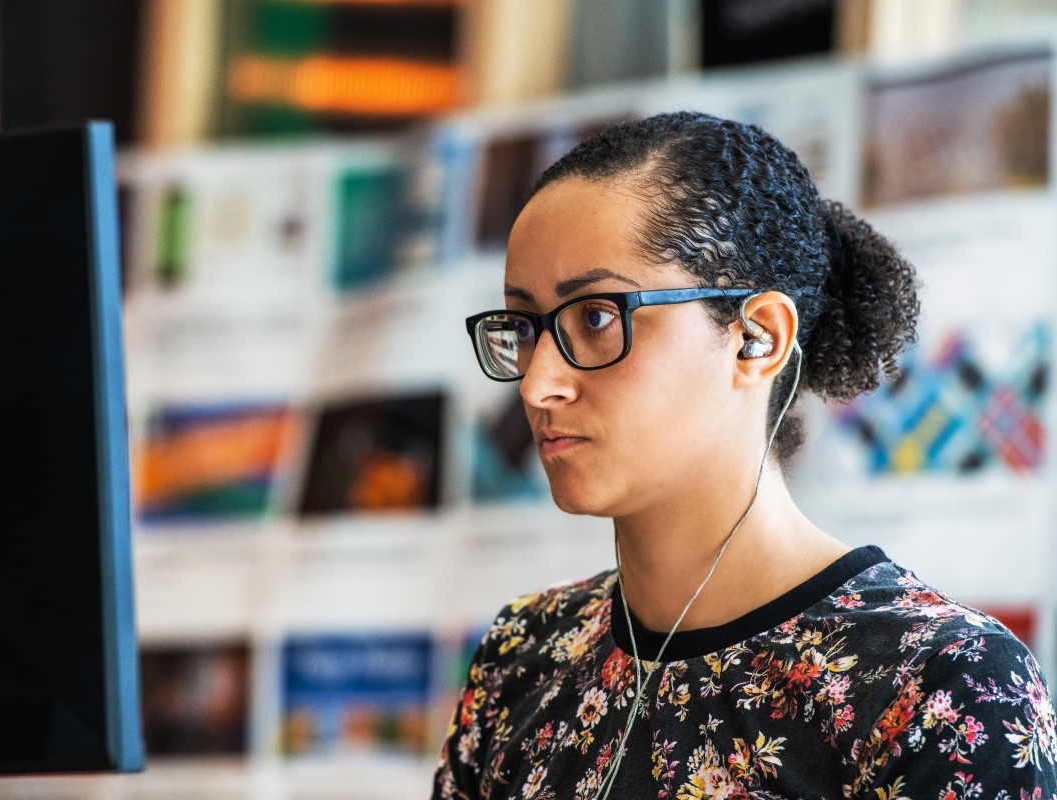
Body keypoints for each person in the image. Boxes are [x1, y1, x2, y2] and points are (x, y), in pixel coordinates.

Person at [433, 112, 1057, 799]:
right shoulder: (525, 651)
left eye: (597, 317)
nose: (538, 383)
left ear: (756, 337)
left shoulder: (941, 687)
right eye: (525, 328)